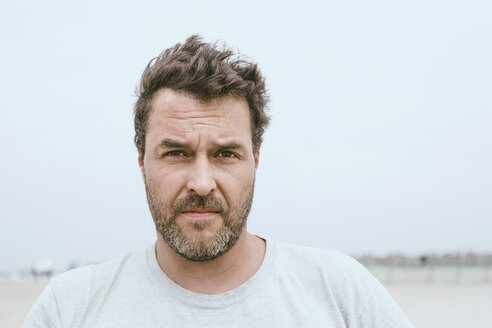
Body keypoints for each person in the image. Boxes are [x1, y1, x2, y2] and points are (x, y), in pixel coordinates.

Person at [23, 35, 413, 327]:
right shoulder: (69, 309)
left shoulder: (341, 293)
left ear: (255, 162)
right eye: (176, 153)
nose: (202, 182)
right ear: (142, 162)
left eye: (226, 154)